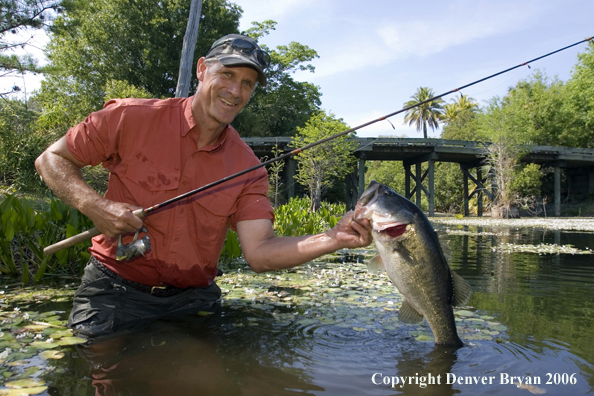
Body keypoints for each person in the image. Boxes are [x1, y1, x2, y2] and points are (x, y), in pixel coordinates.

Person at [35, 33, 372, 338]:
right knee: (96, 368)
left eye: (247, 83)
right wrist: (95, 206)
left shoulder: (249, 169)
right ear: (201, 69)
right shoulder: (129, 117)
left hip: (192, 300)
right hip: (112, 289)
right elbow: (51, 159)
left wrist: (332, 239)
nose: (235, 91)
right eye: (227, 74)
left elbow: (260, 253)